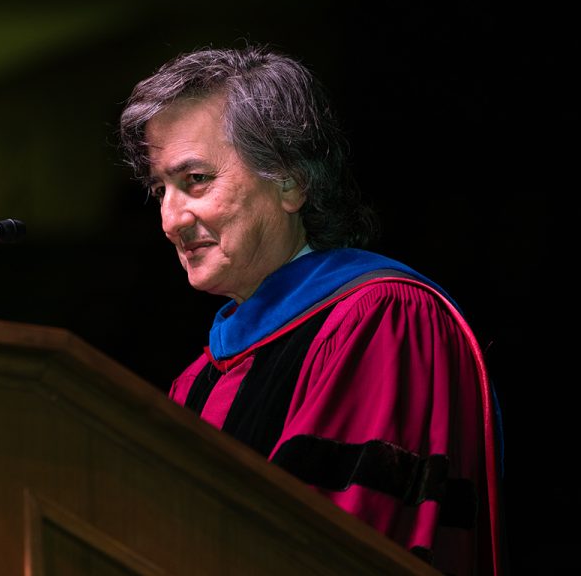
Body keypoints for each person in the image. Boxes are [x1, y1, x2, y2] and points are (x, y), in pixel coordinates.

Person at [119, 45, 504, 576]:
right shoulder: (198, 381)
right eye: (159, 189)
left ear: (291, 182)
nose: (170, 220)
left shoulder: (383, 318)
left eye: (196, 180)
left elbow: (340, 540)